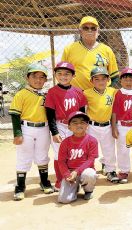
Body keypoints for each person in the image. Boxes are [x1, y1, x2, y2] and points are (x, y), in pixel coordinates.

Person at [9, 64, 54, 201]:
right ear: (27, 78)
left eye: (42, 77)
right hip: (26, 128)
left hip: (44, 128)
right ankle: (20, 186)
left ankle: (44, 181)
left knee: (42, 155)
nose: (38, 80)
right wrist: (17, 133)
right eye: (34, 76)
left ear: (45, 80)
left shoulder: (47, 94)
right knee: (24, 156)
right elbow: (15, 114)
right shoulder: (21, 94)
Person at [44, 62, 87, 191]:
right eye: (60, 74)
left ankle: (76, 178)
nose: (63, 76)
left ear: (73, 76)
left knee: (76, 153)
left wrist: (82, 128)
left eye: (67, 74)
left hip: (75, 126)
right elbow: (50, 115)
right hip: (60, 125)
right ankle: (60, 180)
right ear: (55, 75)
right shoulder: (52, 92)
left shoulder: (78, 92)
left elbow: (82, 113)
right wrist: (55, 132)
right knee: (59, 155)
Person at [62, 16, 119, 90]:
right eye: (86, 28)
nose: (90, 30)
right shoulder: (69, 49)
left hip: (100, 95)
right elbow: (62, 74)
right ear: (80, 32)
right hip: (77, 94)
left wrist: (106, 92)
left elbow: (114, 76)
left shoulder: (107, 50)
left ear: (98, 32)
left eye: (93, 28)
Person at [84, 66, 118, 183]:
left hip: (107, 126)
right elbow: (83, 111)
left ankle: (111, 170)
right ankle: (90, 170)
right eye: (96, 79)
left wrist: (114, 127)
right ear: (91, 81)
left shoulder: (112, 91)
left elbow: (114, 110)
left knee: (109, 149)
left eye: (103, 79)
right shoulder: (86, 93)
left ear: (108, 80)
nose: (100, 82)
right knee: (90, 150)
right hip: (92, 126)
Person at [111, 68, 132, 183]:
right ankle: (124, 170)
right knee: (122, 150)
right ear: (120, 81)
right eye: (125, 79)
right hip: (122, 125)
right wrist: (114, 127)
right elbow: (114, 112)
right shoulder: (118, 94)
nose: (128, 82)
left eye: (131, 80)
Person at [57, 111, 98, 203]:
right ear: (69, 127)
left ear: (87, 125)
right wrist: (67, 175)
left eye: (82, 122)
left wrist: (77, 171)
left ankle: (88, 190)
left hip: (85, 171)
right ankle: (74, 188)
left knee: (89, 174)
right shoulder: (65, 142)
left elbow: (91, 160)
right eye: (75, 122)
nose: (79, 125)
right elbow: (61, 161)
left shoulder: (92, 140)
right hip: (71, 173)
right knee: (64, 200)